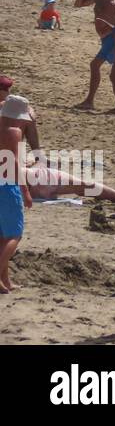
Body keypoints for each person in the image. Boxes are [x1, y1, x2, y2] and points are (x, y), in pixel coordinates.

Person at [0, 108, 31, 293]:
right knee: (14, 234)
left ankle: (5, 281)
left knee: (2, 235)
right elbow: (14, 162)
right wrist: (25, 190)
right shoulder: (14, 131)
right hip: (7, 185)